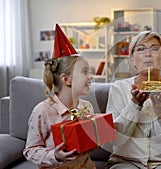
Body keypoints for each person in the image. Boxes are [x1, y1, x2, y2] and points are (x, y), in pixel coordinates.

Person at [105, 31, 161, 169]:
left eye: (154, 48)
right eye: (141, 49)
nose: (148, 54)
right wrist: (134, 106)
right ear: (132, 59)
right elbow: (115, 140)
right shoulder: (118, 89)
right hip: (126, 162)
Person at [23, 24, 96, 169]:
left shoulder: (87, 107)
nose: (90, 77)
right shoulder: (42, 111)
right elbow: (29, 150)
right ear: (66, 79)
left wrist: (94, 142)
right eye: (84, 72)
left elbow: (87, 144)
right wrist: (54, 156)